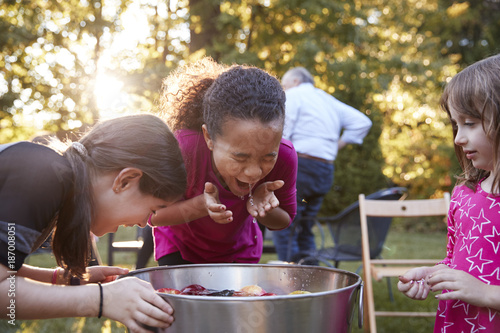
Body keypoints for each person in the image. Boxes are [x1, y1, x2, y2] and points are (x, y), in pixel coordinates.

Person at [0, 114, 187, 332]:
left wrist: (62, 279)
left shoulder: (53, 178)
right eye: (153, 209)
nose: (146, 223)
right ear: (125, 181)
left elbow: (6, 268)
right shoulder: (40, 174)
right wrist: (101, 299)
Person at [151, 57, 297, 265]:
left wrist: (263, 208)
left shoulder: (285, 155)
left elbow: (285, 219)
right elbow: (154, 216)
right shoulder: (183, 149)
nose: (254, 172)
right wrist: (201, 205)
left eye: (267, 157)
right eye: (240, 157)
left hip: (240, 251)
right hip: (180, 248)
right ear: (209, 137)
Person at [397, 54, 500, 331]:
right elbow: (458, 261)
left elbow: (479, 285)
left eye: (470, 123)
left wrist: (487, 294)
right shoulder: (464, 194)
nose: (458, 138)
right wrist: (433, 275)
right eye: (456, 124)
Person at [272, 67, 372, 262]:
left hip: (300, 167)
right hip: (324, 170)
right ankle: (310, 275)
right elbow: (363, 122)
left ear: (295, 81)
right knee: (306, 224)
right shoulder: (328, 100)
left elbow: (284, 128)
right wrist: (337, 145)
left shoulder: (293, 95)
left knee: (285, 223)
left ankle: (290, 274)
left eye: (284, 84)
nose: (283, 88)